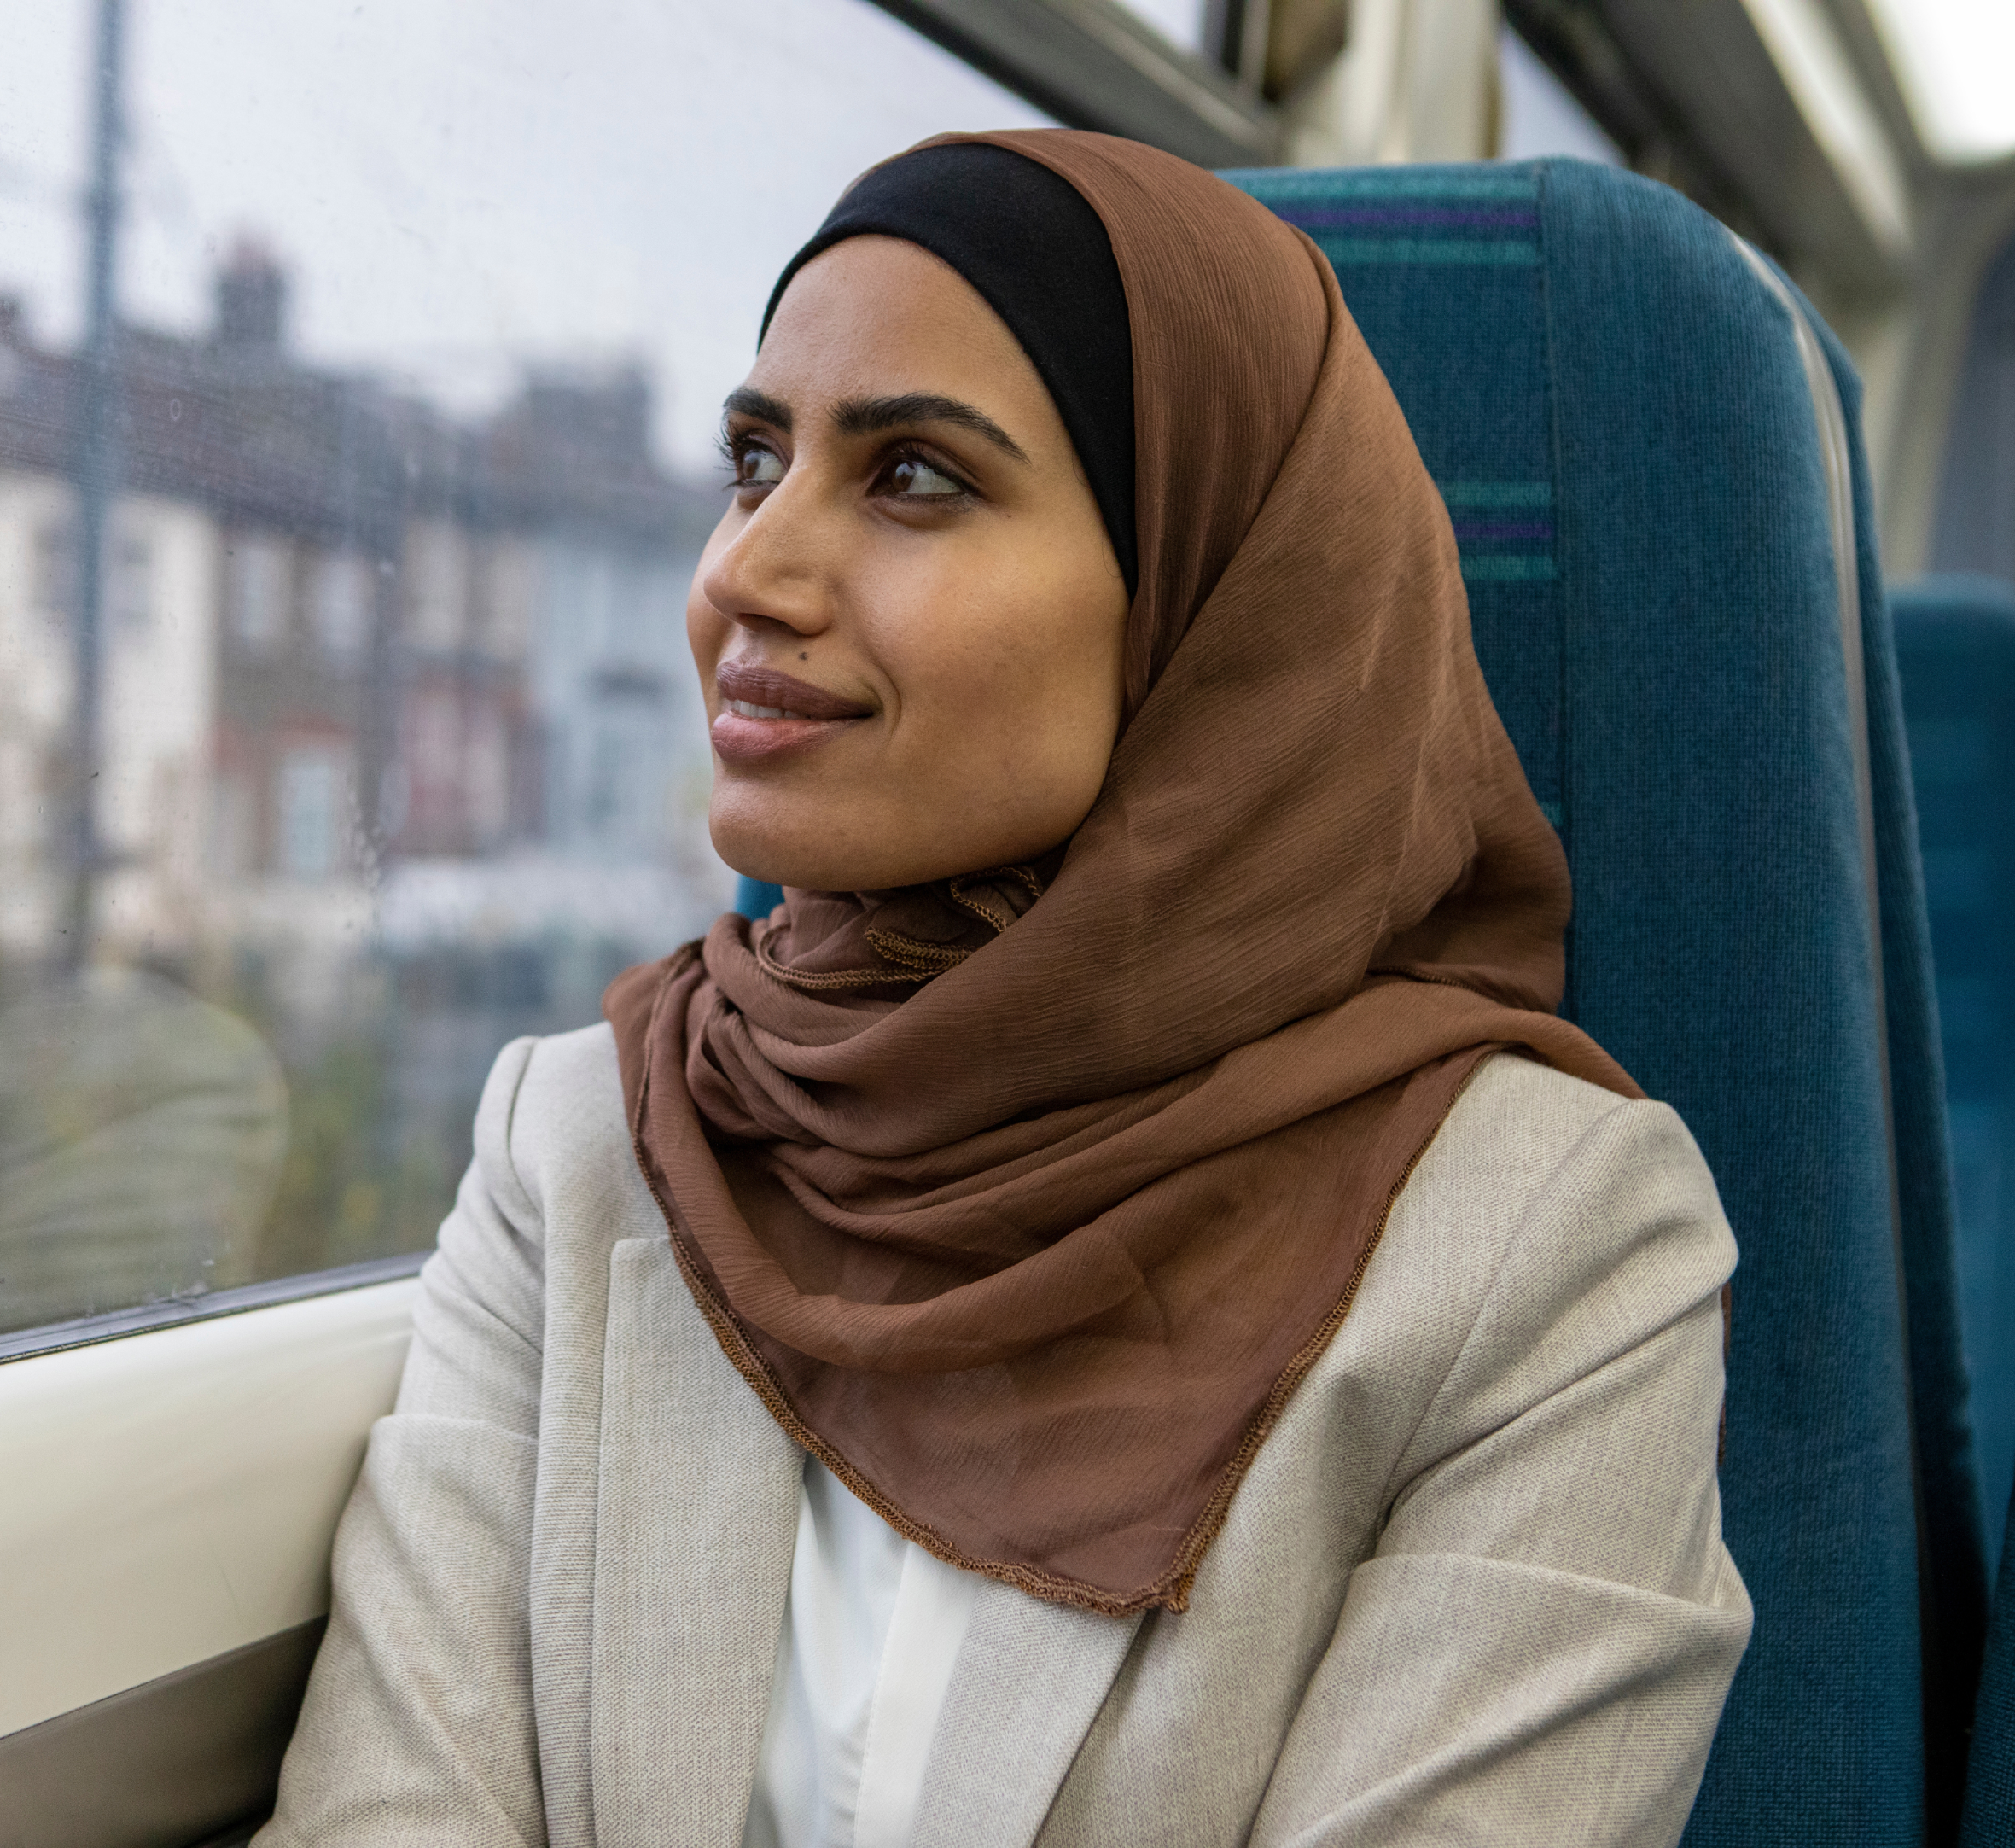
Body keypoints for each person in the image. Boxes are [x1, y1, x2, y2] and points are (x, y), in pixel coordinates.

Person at [259, 129, 1750, 1847]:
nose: (745, 570)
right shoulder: (584, 1137)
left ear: (1211, 602)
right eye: (754, 462)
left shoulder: (1552, 1246)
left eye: (911, 478)